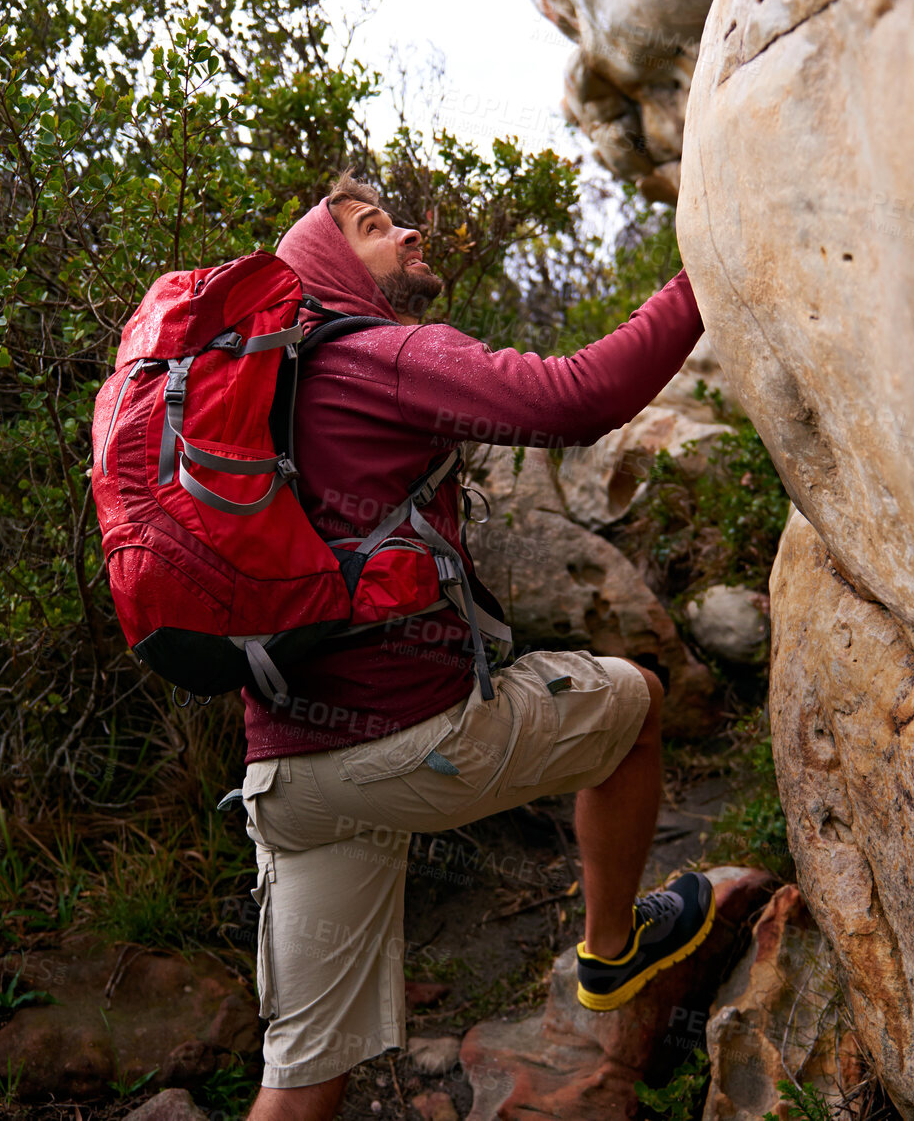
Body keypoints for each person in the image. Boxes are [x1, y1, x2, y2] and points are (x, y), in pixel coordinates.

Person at [239, 172, 713, 1121]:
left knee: (299, 1085)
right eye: (376, 229)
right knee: (638, 705)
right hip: (404, 742)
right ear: (334, 266)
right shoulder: (376, 354)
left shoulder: (274, 389)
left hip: (288, 777)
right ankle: (612, 955)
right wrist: (707, 276)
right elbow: (579, 397)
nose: (408, 232)